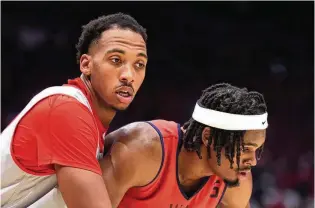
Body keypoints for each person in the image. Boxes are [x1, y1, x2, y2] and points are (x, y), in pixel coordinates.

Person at [1, 13, 148, 208]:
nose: (129, 76)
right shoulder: (67, 110)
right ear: (86, 65)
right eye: (115, 60)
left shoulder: (89, 121)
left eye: (139, 64)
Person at [100, 83, 268, 208]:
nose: (253, 161)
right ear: (208, 137)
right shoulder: (141, 149)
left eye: (257, 150)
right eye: (245, 149)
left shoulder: (235, 182)